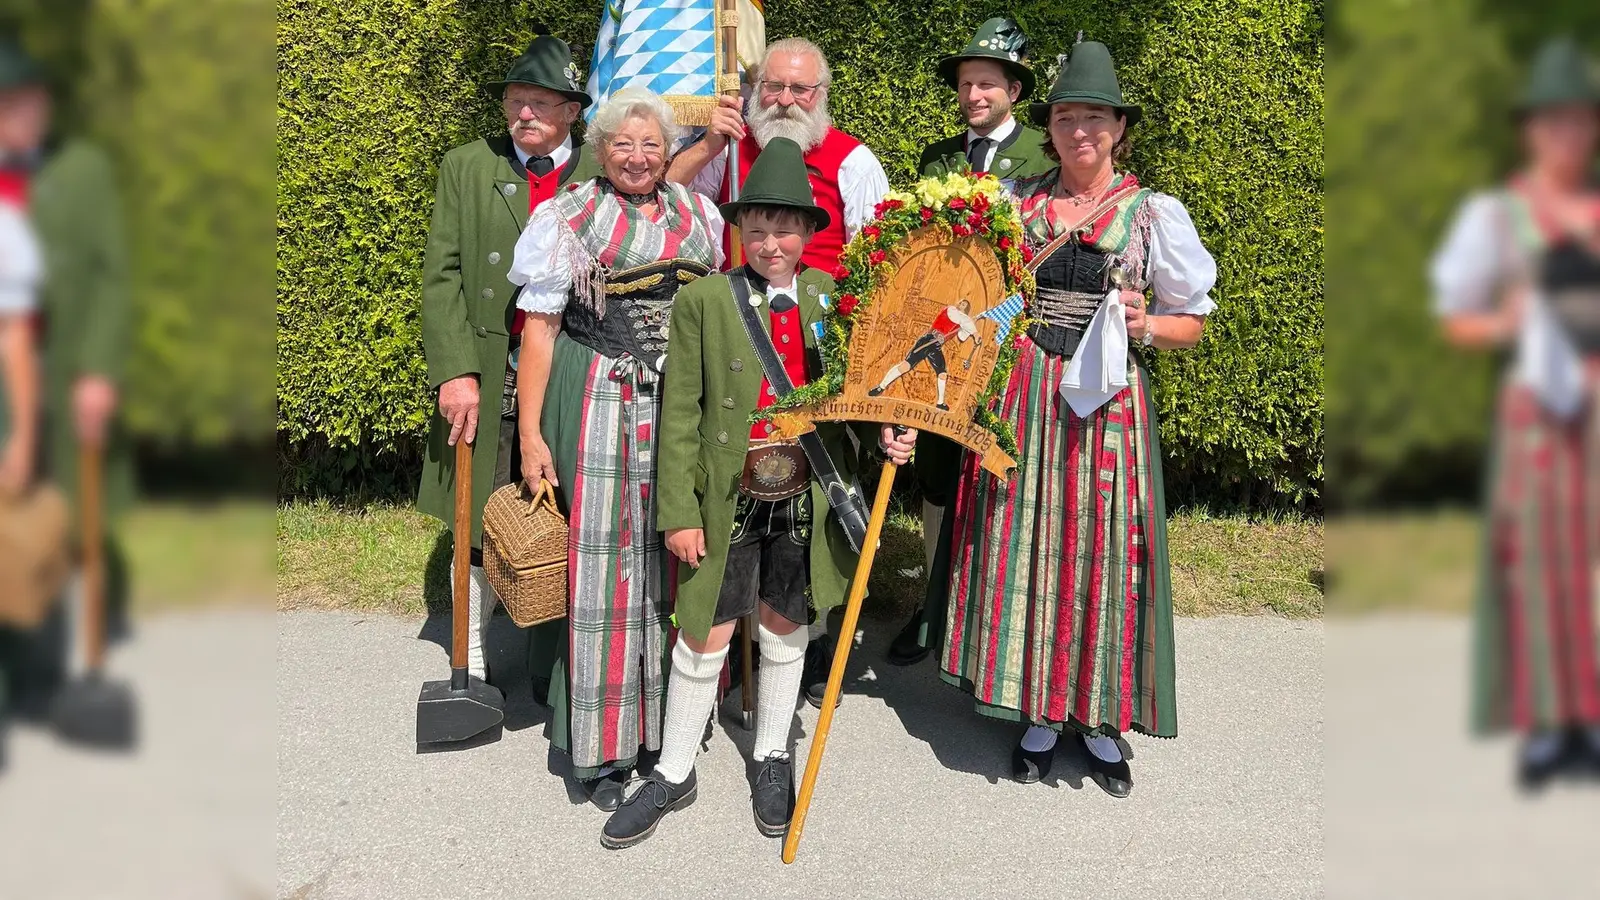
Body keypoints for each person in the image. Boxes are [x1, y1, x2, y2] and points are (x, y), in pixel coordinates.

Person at [601, 136, 917, 848]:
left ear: (810, 233)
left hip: (804, 498)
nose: (772, 242)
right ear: (738, 230)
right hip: (725, 497)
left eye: (786, 228)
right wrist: (677, 511)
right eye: (758, 228)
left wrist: (893, 436)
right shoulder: (706, 301)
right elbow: (679, 413)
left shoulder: (835, 301)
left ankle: (772, 754)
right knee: (704, 632)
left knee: (783, 624)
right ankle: (674, 769)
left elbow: (864, 401)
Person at [931, 40, 1216, 797]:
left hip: (1108, 403)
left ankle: (1097, 719)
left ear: (1119, 127)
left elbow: (1192, 321)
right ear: (1048, 125)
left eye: (1094, 117)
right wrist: (960, 339)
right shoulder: (1019, 202)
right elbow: (997, 301)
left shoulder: (1153, 214)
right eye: (1065, 117)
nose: (1079, 131)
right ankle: (1037, 714)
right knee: (1020, 544)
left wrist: (1146, 323)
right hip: (1026, 388)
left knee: (1101, 552)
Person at [510, 87, 723, 811]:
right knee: (604, 564)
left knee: (675, 556)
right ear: (599, 150)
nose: (637, 157)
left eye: (651, 145)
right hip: (600, 392)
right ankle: (601, 750)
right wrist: (533, 433)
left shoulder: (702, 215)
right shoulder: (567, 215)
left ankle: (669, 726)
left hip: (678, 408)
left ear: (670, 152)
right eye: (622, 145)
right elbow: (539, 329)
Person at [669, 37, 892, 705]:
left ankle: (801, 646)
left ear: (822, 97)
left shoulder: (852, 160)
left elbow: (878, 266)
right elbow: (665, 199)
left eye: (802, 90)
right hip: (730, 353)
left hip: (812, 357)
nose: (786, 100)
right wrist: (709, 145)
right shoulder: (729, 147)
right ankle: (725, 661)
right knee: (725, 514)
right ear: (756, 88)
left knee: (806, 520)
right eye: (775, 87)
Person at [1430, 36, 1600, 788]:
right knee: (1536, 565)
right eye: (1550, 121)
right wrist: (1511, 321)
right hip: (1534, 407)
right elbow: (1456, 319)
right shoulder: (1496, 215)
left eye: (1577, 120)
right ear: (1529, 129)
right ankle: (1544, 723)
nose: (1564, 134)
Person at [417, 36, 601, 686]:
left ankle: (562, 669)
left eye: (540, 103)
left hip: (573, 378)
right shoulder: (466, 167)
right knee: (481, 517)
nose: (524, 114)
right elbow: (441, 277)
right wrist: (455, 370)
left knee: (574, 516)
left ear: (572, 111)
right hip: (491, 373)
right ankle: (472, 656)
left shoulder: (604, 170)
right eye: (516, 101)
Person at [890, 17, 1055, 668]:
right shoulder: (939, 158)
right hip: (943, 343)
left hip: (1014, 346)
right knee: (936, 476)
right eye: (967, 83)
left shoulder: (1046, 159)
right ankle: (933, 605)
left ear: (1014, 88)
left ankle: (994, 616)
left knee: (1004, 479)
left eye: (988, 82)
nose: (975, 94)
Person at [0, 37, 130, 729]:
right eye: (11, 105)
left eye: (33, 101)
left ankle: (76, 666)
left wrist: (99, 371)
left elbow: (112, 276)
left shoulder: (81, 172)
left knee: (71, 519)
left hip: (64, 365)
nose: (26, 116)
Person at [867, 300, 982, 409]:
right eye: (961, 303)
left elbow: (962, 335)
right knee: (906, 366)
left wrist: (975, 333)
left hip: (936, 346)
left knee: (942, 373)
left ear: (966, 309)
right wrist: (972, 327)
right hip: (929, 340)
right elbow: (962, 321)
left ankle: (940, 403)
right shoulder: (952, 310)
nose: (961, 305)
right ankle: (881, 387)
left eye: (964, 305)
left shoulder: (963, 320)